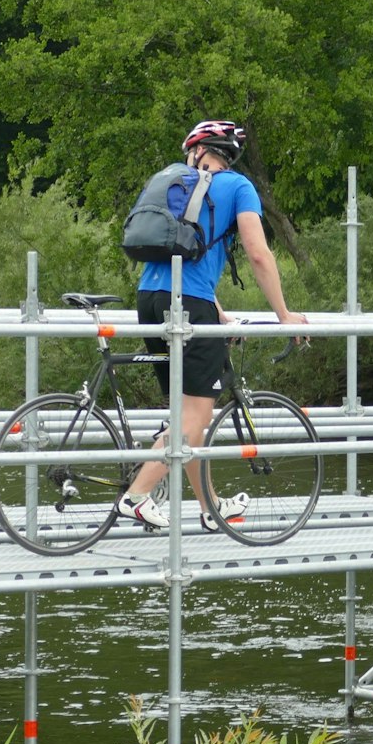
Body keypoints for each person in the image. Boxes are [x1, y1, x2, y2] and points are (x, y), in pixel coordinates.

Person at [114, 120, 309, 531]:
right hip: (188, 307)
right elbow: (258, 254)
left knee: (184, 418)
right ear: (228, 153)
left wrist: (218, 312)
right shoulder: (237, 187)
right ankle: (136, 495)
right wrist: (284, 314)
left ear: (198, 152)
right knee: (192, 419)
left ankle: (211, 507)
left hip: (151, 300)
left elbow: (181, 256)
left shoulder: (173, 183)